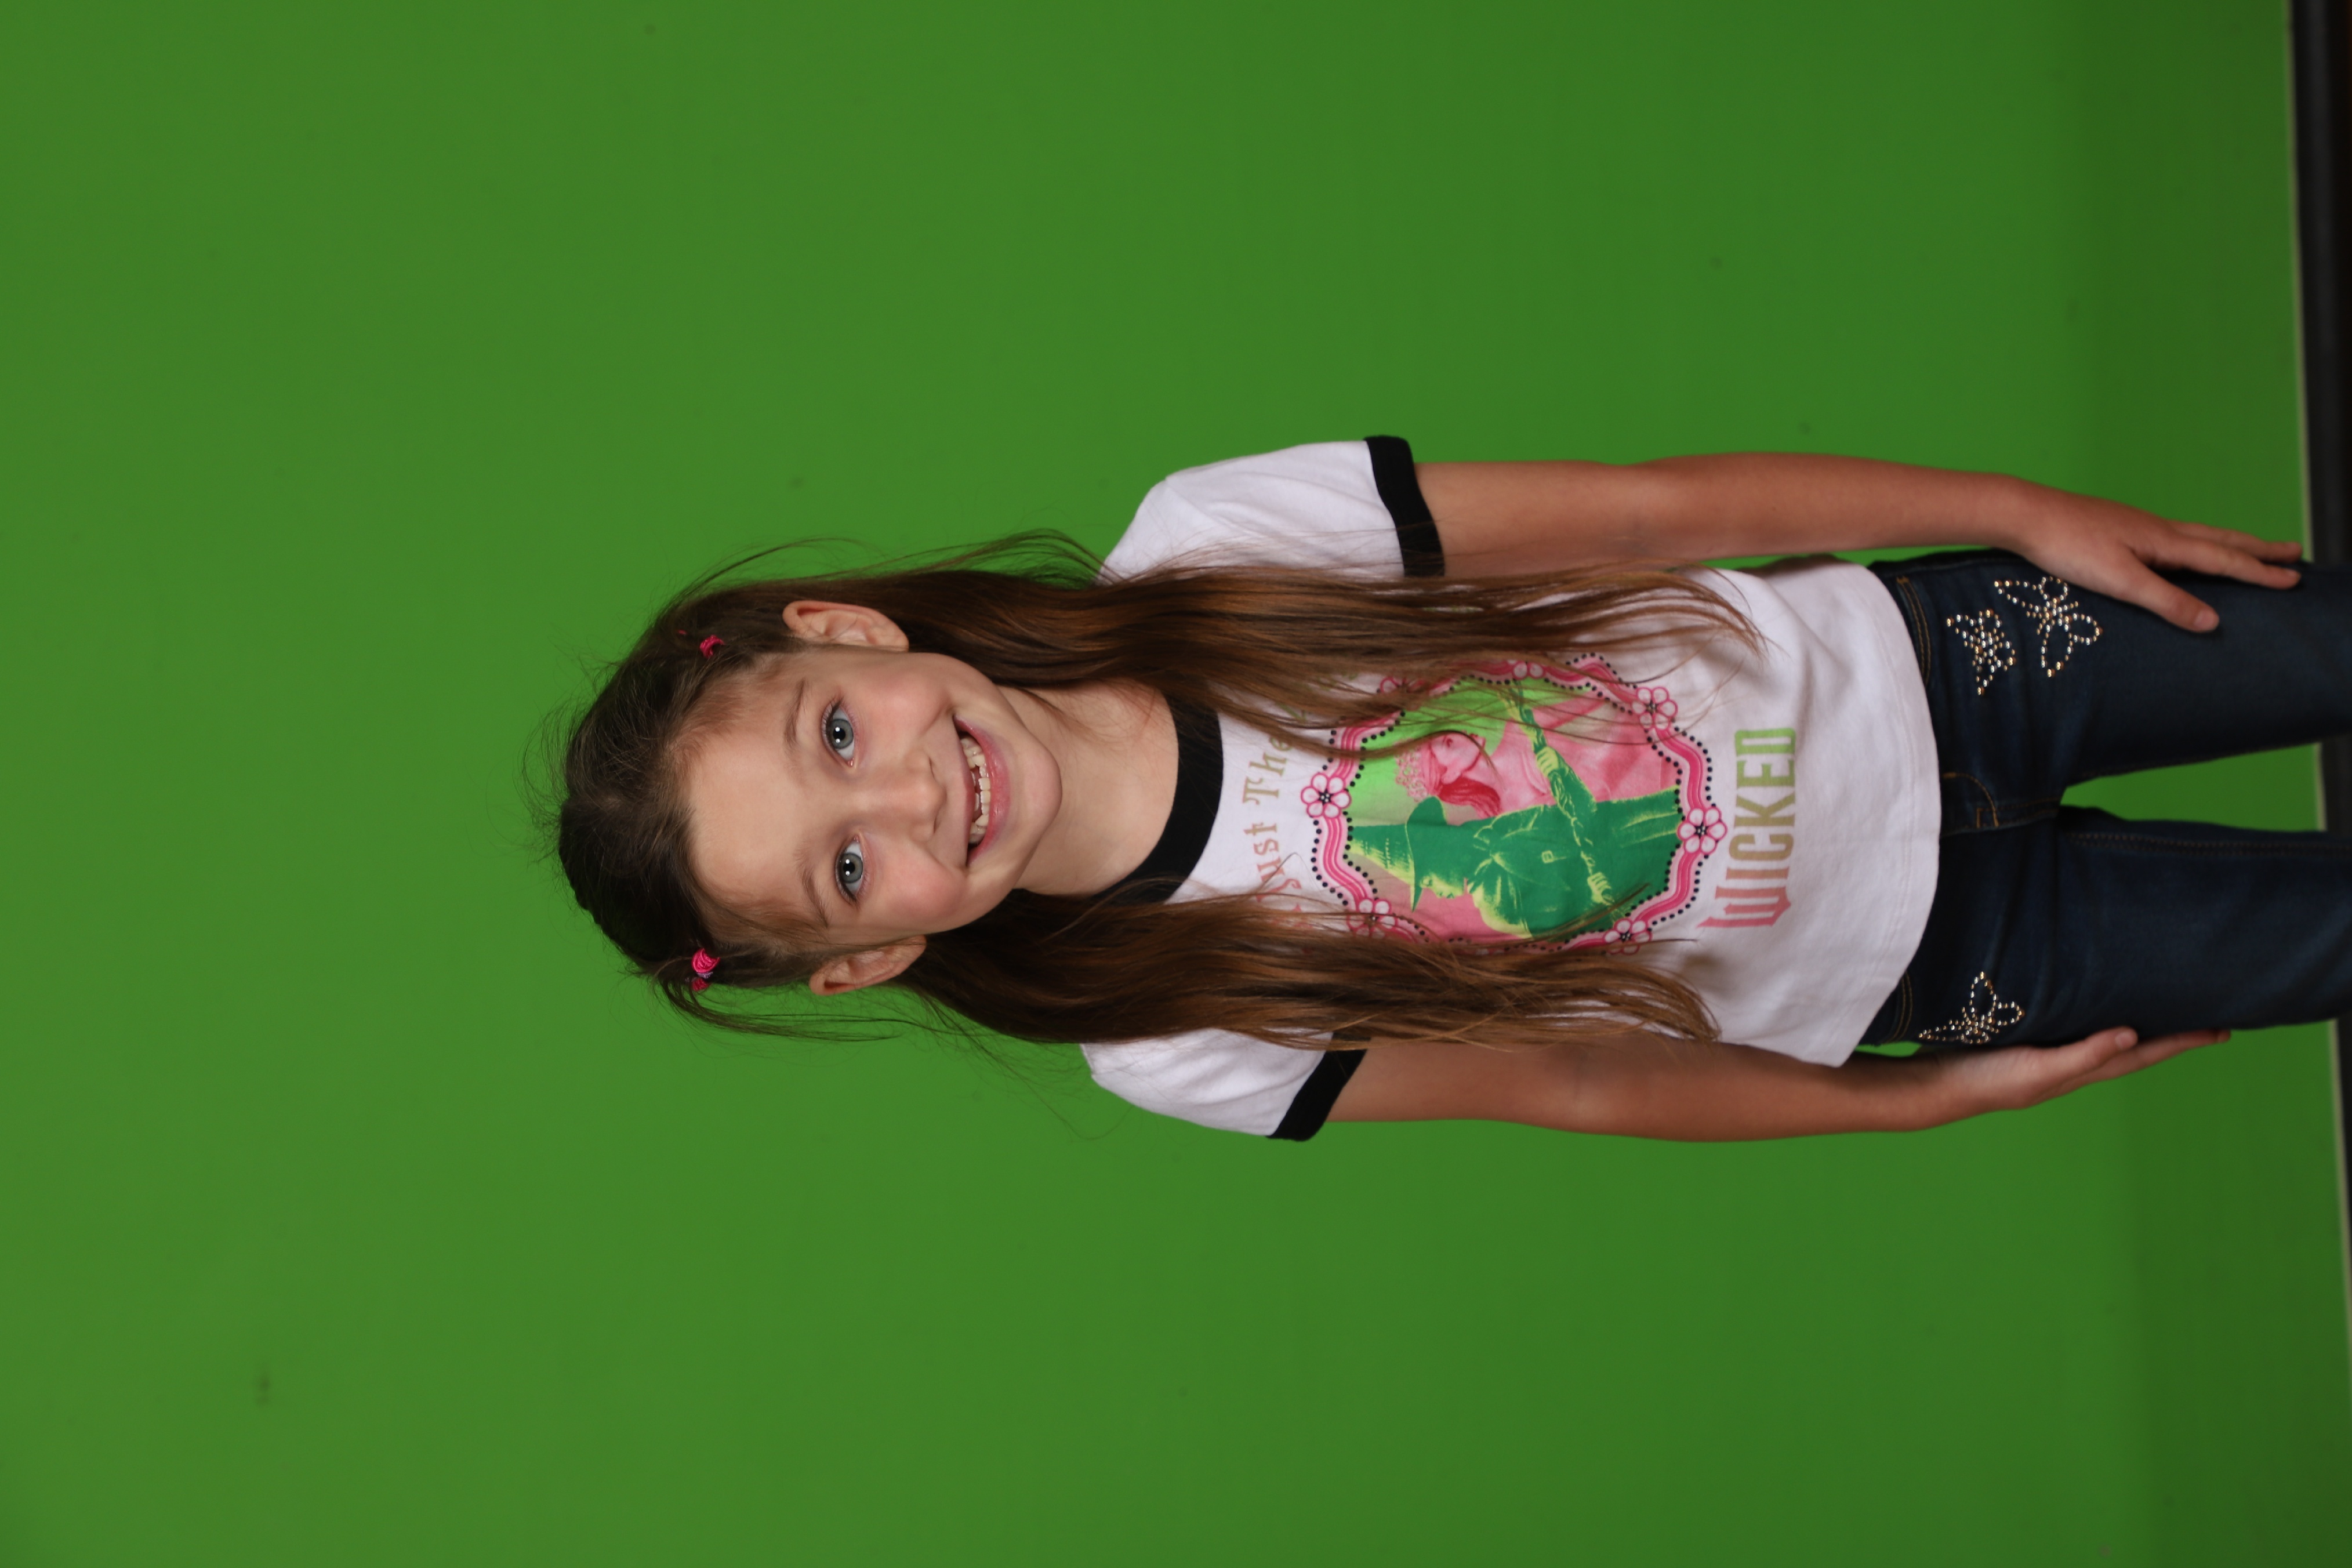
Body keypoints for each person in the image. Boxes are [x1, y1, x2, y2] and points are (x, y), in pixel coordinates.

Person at [553, 437, 2349, 1144]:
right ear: (872, 956)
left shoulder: (1213, 535)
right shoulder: (1170, 1044)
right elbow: (1580, 1082)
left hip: (1942, 666)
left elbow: (1652, 510)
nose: (906, 802)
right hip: (1938, 962)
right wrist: (1916, 1104)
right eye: (847, 872)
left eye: (835, 738)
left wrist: (2016, 511)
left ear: (843, 632)